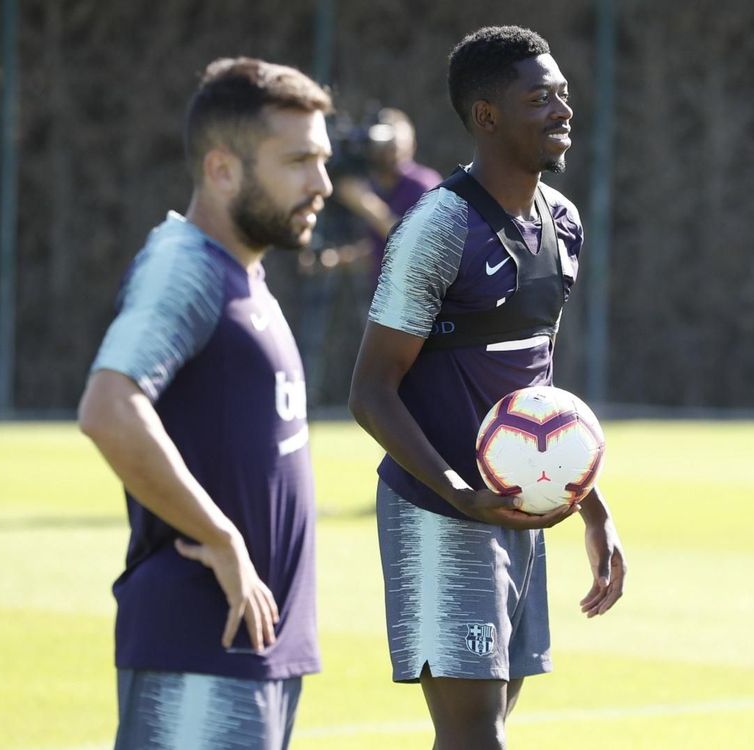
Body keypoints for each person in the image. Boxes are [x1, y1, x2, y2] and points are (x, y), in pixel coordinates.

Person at [348, 26, 627, 750]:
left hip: (520, 509)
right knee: (476, 737)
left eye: (563, 94)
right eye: (540, 98)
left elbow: (537, 387)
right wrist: (457, 493)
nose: (563, 109)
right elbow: (370, 391)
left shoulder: (562, 223)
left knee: (486, 730)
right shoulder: (438, 227)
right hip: (436, 512)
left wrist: (592, 506)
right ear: (487, 116)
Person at [77, 57, 333, 749]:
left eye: (323, 160)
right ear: (222, 169)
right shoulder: (184, 267)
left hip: (254, 649)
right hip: (199, 643)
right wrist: (222, 539)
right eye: (298, 161)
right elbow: (109, 406)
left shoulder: (244, 276)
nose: (322, 183)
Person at [332, 108, 442, 285]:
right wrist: (339, 260)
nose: (392, 152)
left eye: (398, 145)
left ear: (412, 146)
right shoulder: (378, 187)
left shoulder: (422, 184)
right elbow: (381, 250)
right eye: (386, 145)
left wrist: (366, 204)